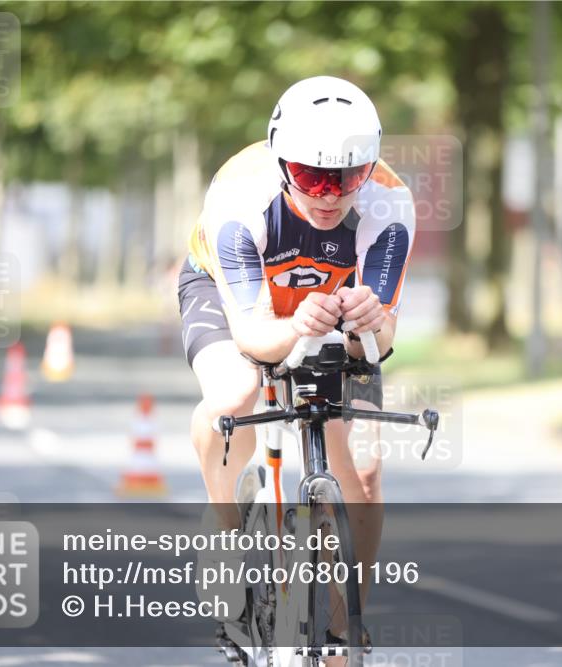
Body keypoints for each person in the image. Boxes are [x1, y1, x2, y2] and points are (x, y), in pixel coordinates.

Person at [177, 76, 415, 626]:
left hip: (330, 306)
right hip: (235, 298)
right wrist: (294, 327)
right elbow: (254, 339)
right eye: (311, 176)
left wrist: (366, 323)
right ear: (282, 162)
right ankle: (226, 531)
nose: (329, 195)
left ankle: (343, 624)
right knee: (235, 395)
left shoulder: (388, 200)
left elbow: (381, 344)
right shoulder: (240, 195)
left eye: (348, 176)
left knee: (366, 463)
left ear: (370, 167)